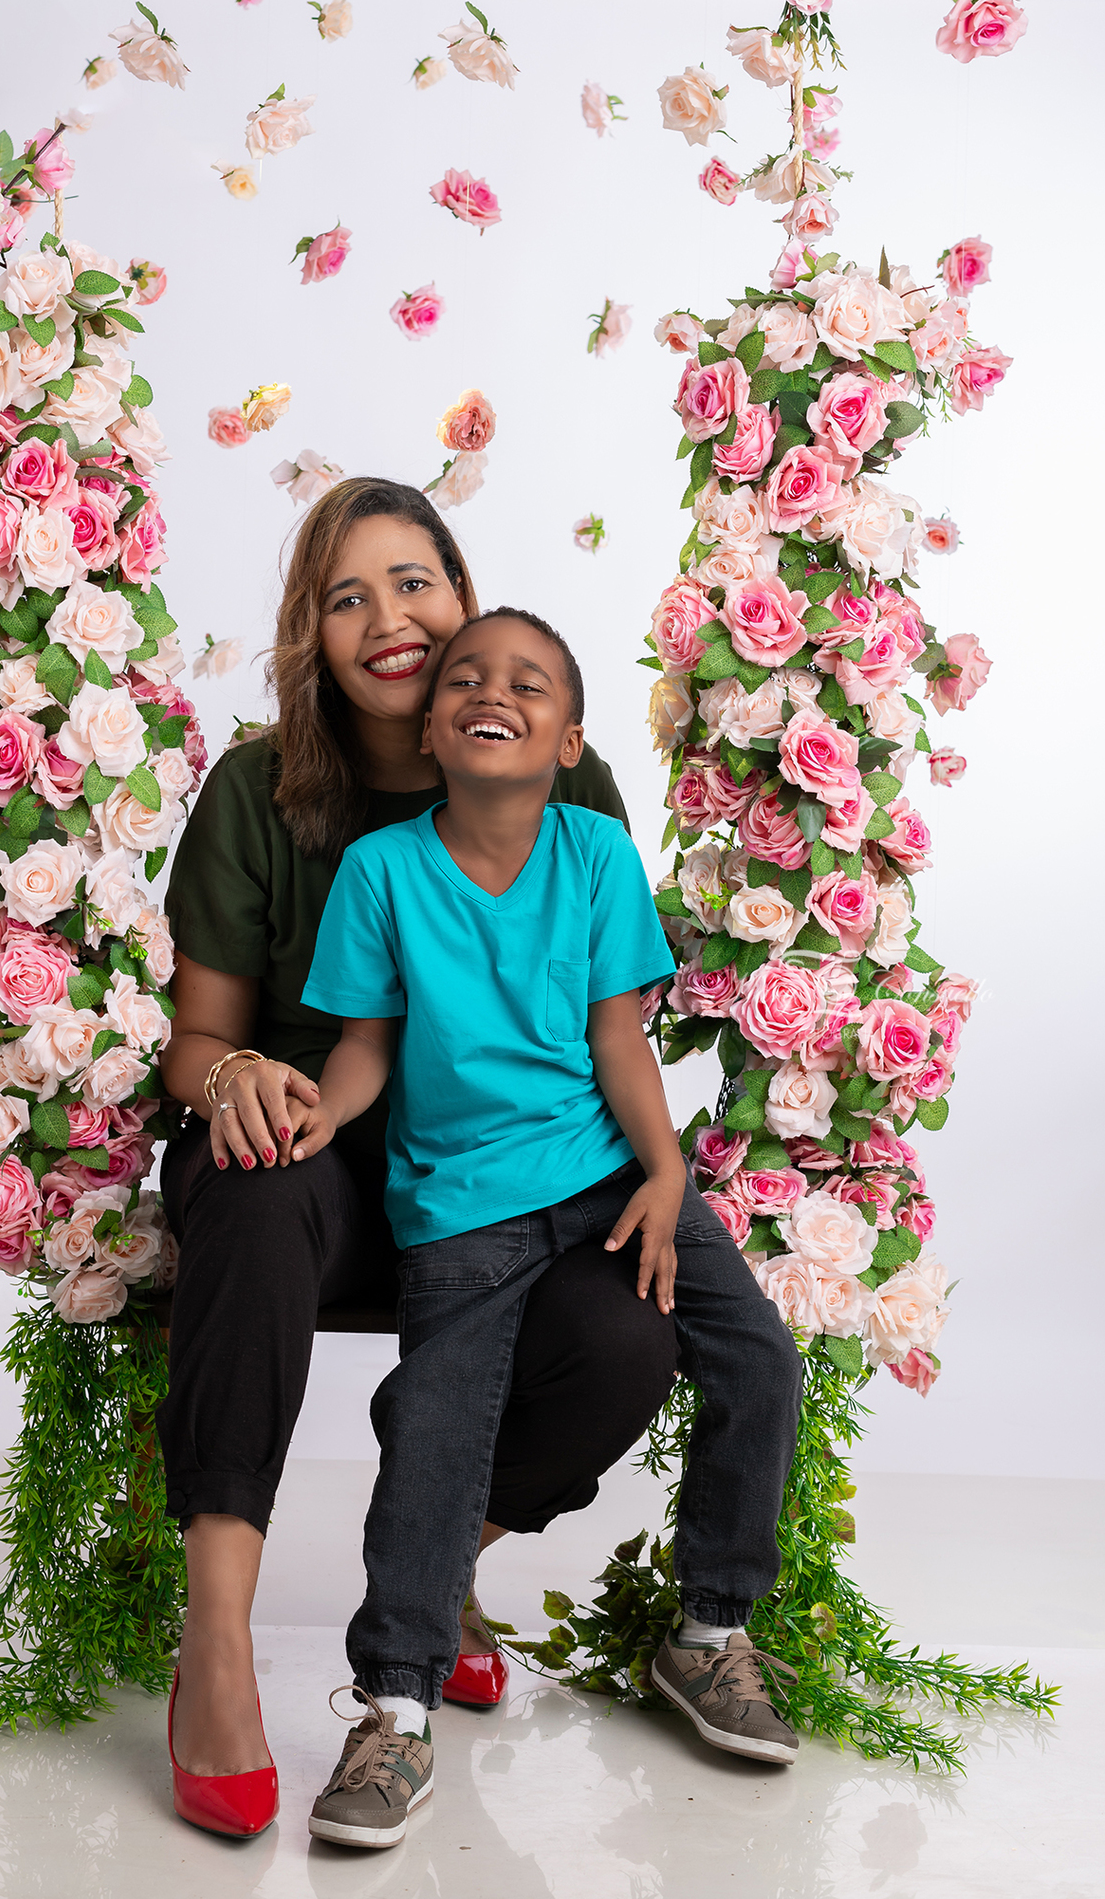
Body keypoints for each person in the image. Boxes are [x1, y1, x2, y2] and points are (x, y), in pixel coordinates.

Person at [155, 480, 679, 1837]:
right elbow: (196, 1033)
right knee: (259, 1185)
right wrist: (234, 1074)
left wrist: (658, 1167)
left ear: (464, 596)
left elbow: (611, 1011)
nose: (389, 618)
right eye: (347, 596)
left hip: (498, 1180)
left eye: (414, 582)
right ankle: (215, 1638)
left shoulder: (570, 779)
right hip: (315, 1159)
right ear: (311, 637)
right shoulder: (258, 792)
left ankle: (441, 1566)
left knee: (631, 1325)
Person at [296, 607, 805, 1851]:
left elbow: (617, 1038)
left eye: (529, 683)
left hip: (605, 1173)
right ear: (432, 726)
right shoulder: (382, 871)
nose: (494, 690)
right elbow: (365, 1049)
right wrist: (313, 1112)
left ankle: (710, 1631)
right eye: (466, 676)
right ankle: (398, 1708)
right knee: (437, 1417)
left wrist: (668, 1172)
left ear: (568, 737)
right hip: (463, 1200)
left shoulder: (593, 852)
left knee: (759, 1358)